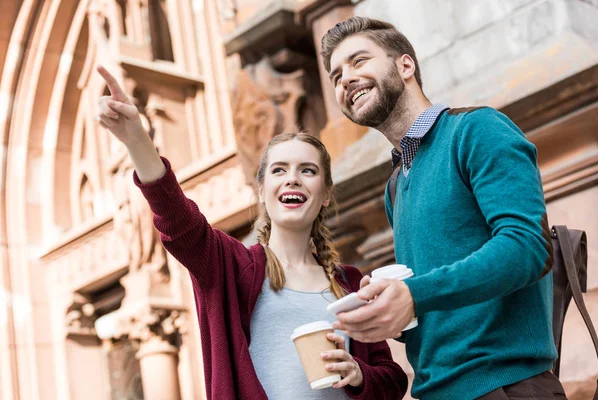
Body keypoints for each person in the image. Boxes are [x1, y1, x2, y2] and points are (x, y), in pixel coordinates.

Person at [96, 65, 407, 400]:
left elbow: (392, 380)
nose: (293, 178)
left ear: (326, 193)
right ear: (262, 190)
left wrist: (358, 375)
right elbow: (178, 220)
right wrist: (137, 140)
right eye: (279, 170)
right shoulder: (230, 266)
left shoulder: (349, 282)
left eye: (308, 170)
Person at [320, 16, 566, 400]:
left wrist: (414, 294)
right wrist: (390, 305)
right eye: (335, 76)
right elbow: (439, 301)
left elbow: (527, 247)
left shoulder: (477, 130)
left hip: (506, 387)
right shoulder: (396, 184)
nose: (345, 79)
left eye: (359, 61)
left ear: (405, 66)